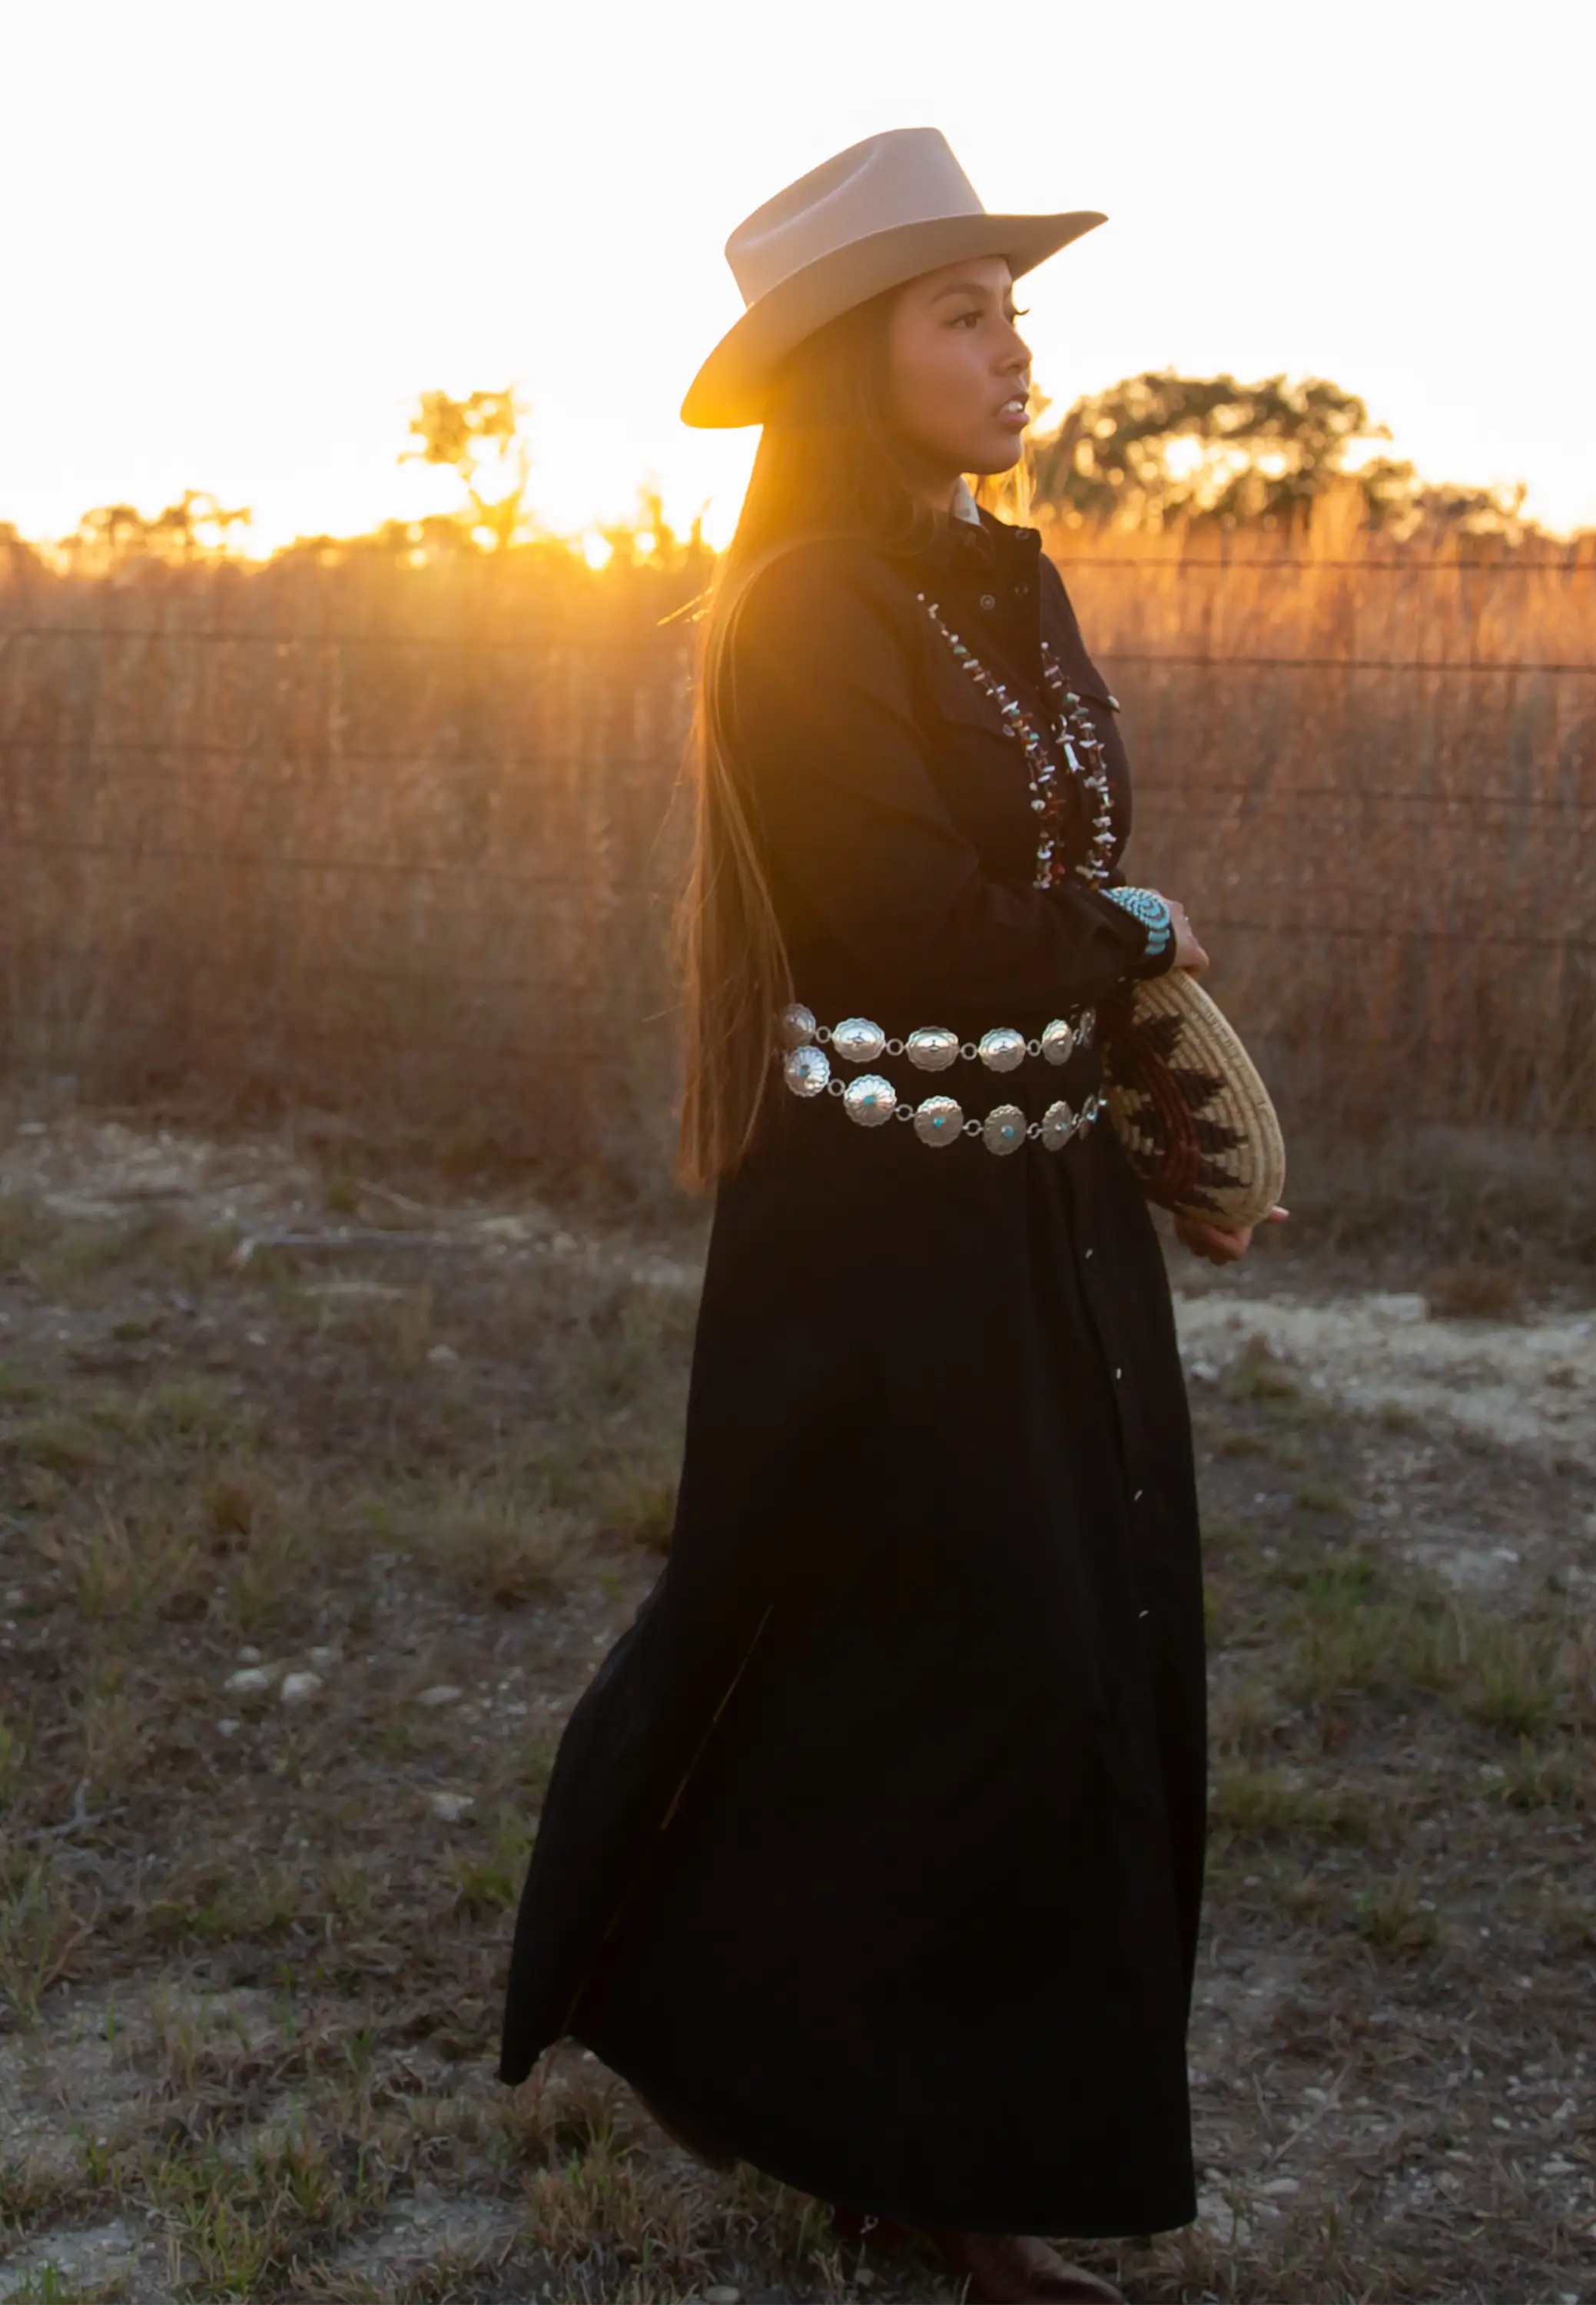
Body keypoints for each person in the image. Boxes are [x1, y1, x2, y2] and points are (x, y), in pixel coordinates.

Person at [499, 127, 1285, 2304]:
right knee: (952, 1667)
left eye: (1016, 305)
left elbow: (1038, 897)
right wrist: (1129, 929)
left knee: (1062, 1656)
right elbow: (927, 925)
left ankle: (912, 2149)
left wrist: (1142, 1105)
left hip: (1044, 1222)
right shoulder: (806, 613)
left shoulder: (1000, 577)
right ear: (863, 358)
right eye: (970, 310)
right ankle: (909, 2151)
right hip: (878, 1242)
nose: (1019, 343)